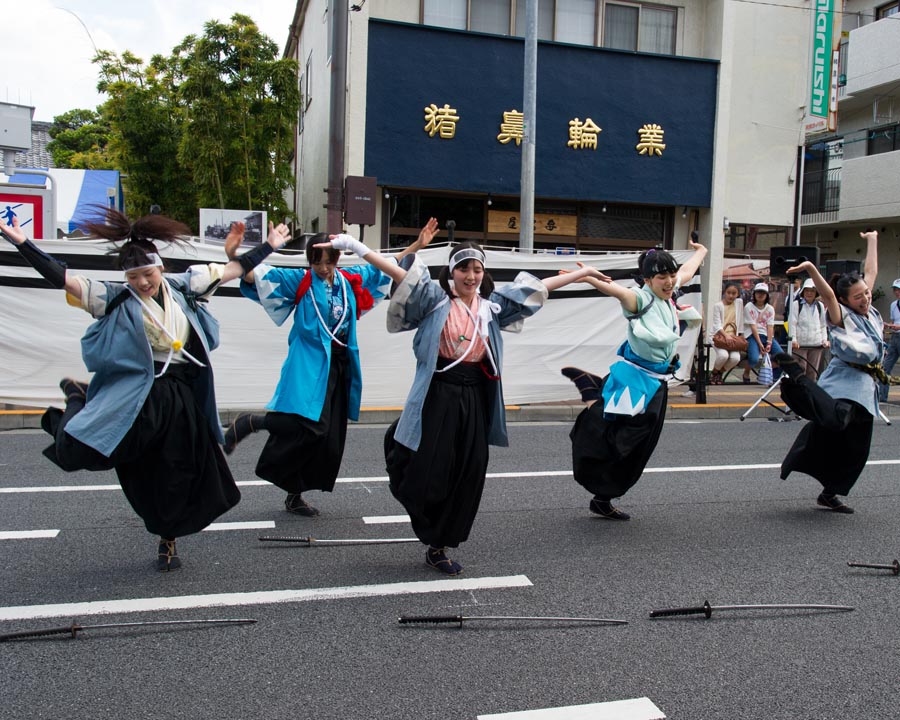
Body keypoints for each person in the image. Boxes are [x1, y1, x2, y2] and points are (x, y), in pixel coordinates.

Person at [0, 207, 291, 570]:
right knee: (82, 453)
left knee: (175, 471)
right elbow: (63, 279)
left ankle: (167, 538)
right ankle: (76, 401)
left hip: (180, 396)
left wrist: (269, 245)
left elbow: (235, 268)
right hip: (137, 395)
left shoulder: (187, 286)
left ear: (161, 268)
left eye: (148, 274)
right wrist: (22, 243)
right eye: (134, 276)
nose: (142, 283)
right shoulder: (114, 298)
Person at [317, 232, 601, 575]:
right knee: (431, 468)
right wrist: (357, 247)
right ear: (452, 273)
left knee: (470, 468)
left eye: (476, 269)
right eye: (463, 269)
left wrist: (583, 275)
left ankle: (439, 545)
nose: (470, 276)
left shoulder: (492, 306)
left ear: (484, 272)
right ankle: (412, 486)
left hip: (475, 396)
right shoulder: (435, 300)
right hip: (439, 394)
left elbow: (540, 287)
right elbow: (399, 275)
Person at [221, 219, 439, 516]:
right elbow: (253, 276)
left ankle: (294, 493)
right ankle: (250, 422)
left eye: (328, 261)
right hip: (309, 364)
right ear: (309, 259)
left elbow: (384, 265)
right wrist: (233, 253)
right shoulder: (299, 280)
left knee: (328, 438)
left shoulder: (348, 278)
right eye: (317, 261)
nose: (323, 267)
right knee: (311, 427)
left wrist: (417, 245)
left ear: (337, 258)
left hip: (340, 364)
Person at [560, 239, 707, 520]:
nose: (669, 281)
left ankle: (603, 497)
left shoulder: (671, 292)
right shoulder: (641, 299)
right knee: (620, 442)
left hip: (655, 386)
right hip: (634, 382)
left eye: (671, 275)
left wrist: (701, 251)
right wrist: (586, 276)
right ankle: (591, 429)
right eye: (661, 276)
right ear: (648, 279)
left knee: (637, 448)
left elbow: (687, 270)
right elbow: (614, 290)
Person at [776, 230, 883, 514]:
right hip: (843, 380)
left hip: (865, 385)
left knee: (856, 447)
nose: (865, 298)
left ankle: (830, 493)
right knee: (837, 419)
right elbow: (827, 294)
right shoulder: (841, 315)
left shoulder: (870, 313)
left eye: (867, 293)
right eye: (858, 296)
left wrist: (872, 240)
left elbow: (870, 271)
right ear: (845, 299)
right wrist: (811, 268)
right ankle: (799, 382)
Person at [789, 277, 828, 380]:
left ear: (816, 293)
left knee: (812, 372)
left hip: (816, 344)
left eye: (812, 291)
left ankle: (810, 394)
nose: (809, 293)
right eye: (807, 290)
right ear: (803, 292)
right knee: (800, 370)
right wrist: (793, 340)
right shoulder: (796, 305)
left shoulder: (820, 306)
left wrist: (824, 339)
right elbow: (792, 324)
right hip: (800, 345)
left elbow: (823, 325)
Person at [744, 281, 784, 383]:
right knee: (753, 359)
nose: (760, 295)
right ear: (754, 294)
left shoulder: (770, 308)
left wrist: (769, 342)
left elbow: (770, 326)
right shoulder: (749, 306)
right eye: (758, 292)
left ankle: (771, 374)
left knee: (781, 356)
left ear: (767, 295)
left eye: (763, 293)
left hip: (766, 336)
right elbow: (753, 326)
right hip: (752, 336)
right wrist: (760, 344)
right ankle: (746, 372)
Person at [709, 282, 745, 384]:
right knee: (723, 355)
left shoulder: (739, 303)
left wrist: (740, 337)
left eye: (734, 293)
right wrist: (726, 335)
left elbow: (741, 320)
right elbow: (717, 324)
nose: (731, 295)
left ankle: (717, 373)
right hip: (719, 336)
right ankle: (714, 374)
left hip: (733, 338)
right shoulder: (718, 305)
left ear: (738, 294)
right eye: (728, 292)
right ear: (724, 292)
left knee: (735, 358)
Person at [877, 278, 900, 403]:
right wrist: (888, 325)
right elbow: (893, 321)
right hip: (895, 338)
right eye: (895, 290)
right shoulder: (893, 305)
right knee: (885, 367)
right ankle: (882, 396)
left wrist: (897, 326)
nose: (897, 292)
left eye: (899, 290)